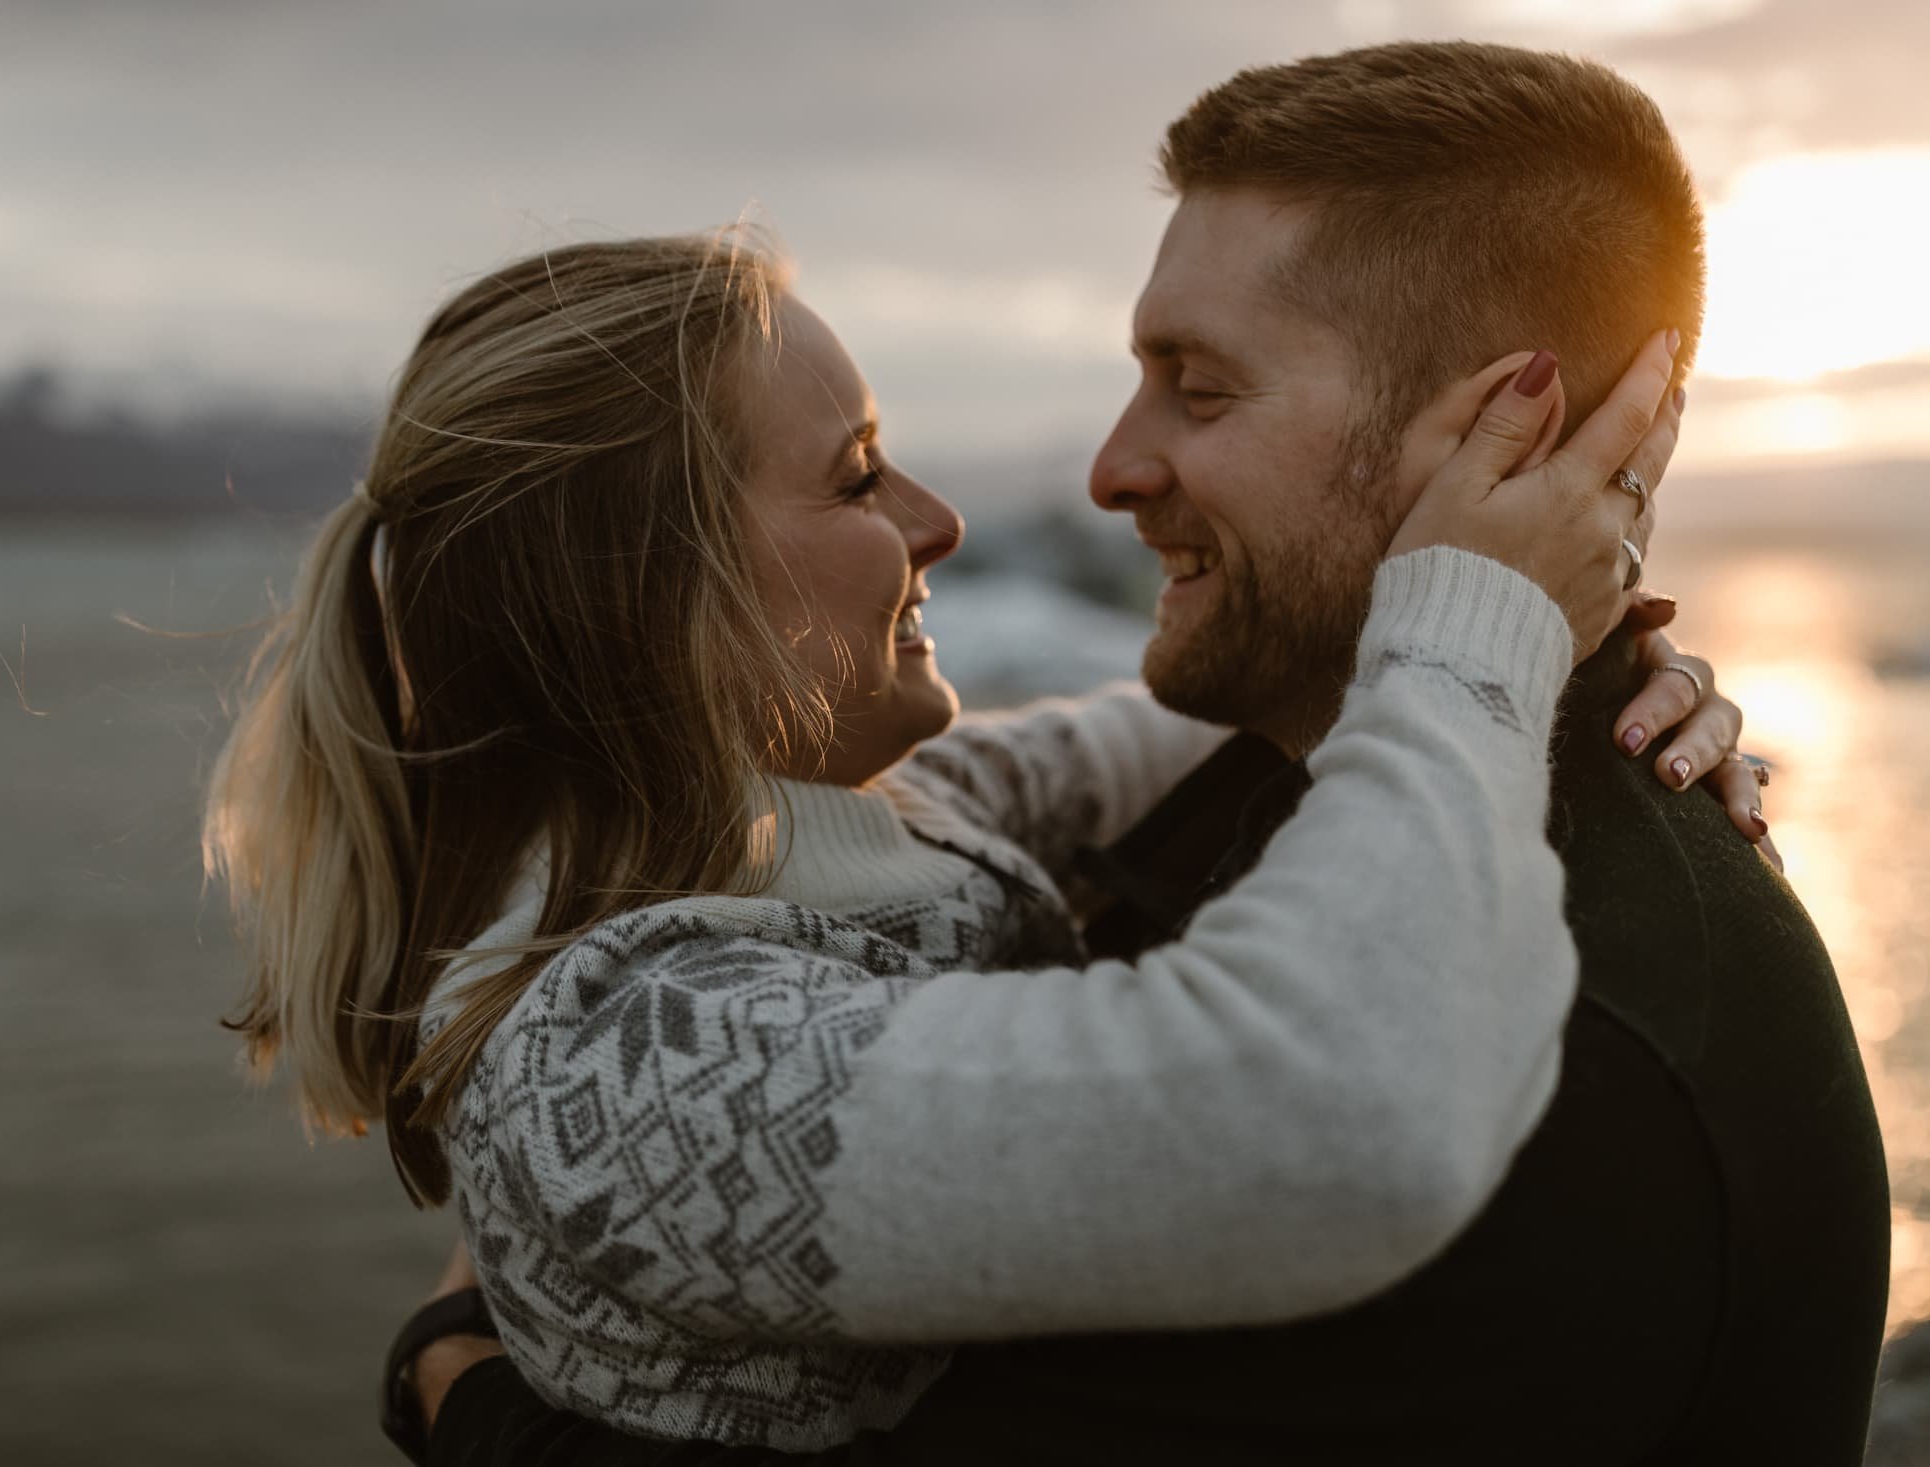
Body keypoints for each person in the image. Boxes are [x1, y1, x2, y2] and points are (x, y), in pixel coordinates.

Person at [391, 42, 1888, 1467]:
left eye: (1204, 386)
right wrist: (1527, 635)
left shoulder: (1562, 1083)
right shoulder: (1313, 787)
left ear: (1511, 425)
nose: (1110, 468)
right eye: (855, 477)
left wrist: (471, 1392)